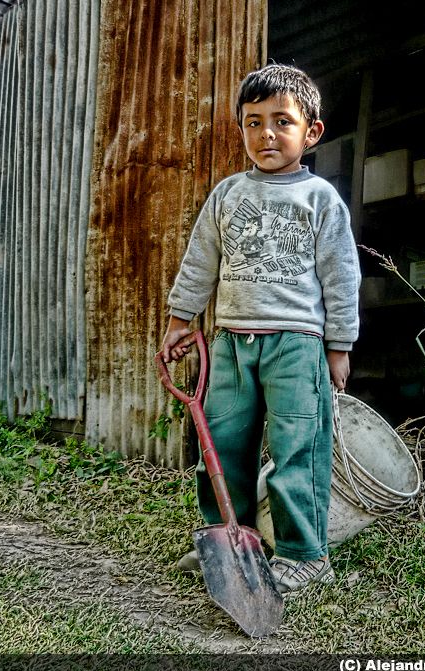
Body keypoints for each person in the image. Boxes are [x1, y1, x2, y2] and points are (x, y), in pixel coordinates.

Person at [160, 63, 361, 594]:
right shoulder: (227, 195)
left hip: (297, 344)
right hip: (231, 341)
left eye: (281, 121)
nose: (266, 134)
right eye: (252, 122)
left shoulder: (320, 199)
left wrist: (338, 346)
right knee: (222, 443)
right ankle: (226, 536)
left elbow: (341, 277)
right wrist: (181, 321)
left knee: (298, 447)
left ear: (311, 132)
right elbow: (200, 261)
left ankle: (303, 552)